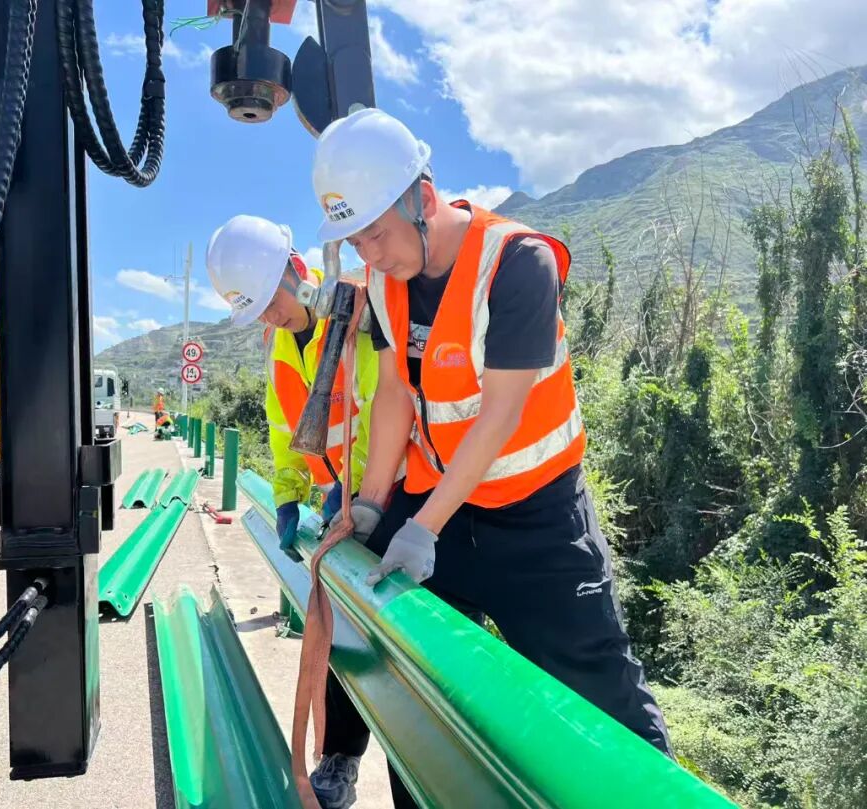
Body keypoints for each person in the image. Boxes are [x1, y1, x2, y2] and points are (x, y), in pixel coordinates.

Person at [306, 107, 674, 808]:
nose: (371, 254)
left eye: (377, 233)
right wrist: (379, 502)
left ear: (422, 196)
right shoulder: (384, 282)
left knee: (605, 701)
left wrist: (422, 527)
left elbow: (499, 415)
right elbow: (393, 395)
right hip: (446, 511)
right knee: (416, 683)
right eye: (356, 240)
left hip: (540, 523)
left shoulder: (518, 263)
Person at [205, 214, 378, 554]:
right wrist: (286, 496)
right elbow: (285, 432)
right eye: (258, 312)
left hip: (378, 498)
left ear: (298, 268)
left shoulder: (355, 313)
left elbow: (380, 409)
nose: (271, 318)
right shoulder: (275, 345)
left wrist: (353, 486)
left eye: (271, 302)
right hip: (338, 505)